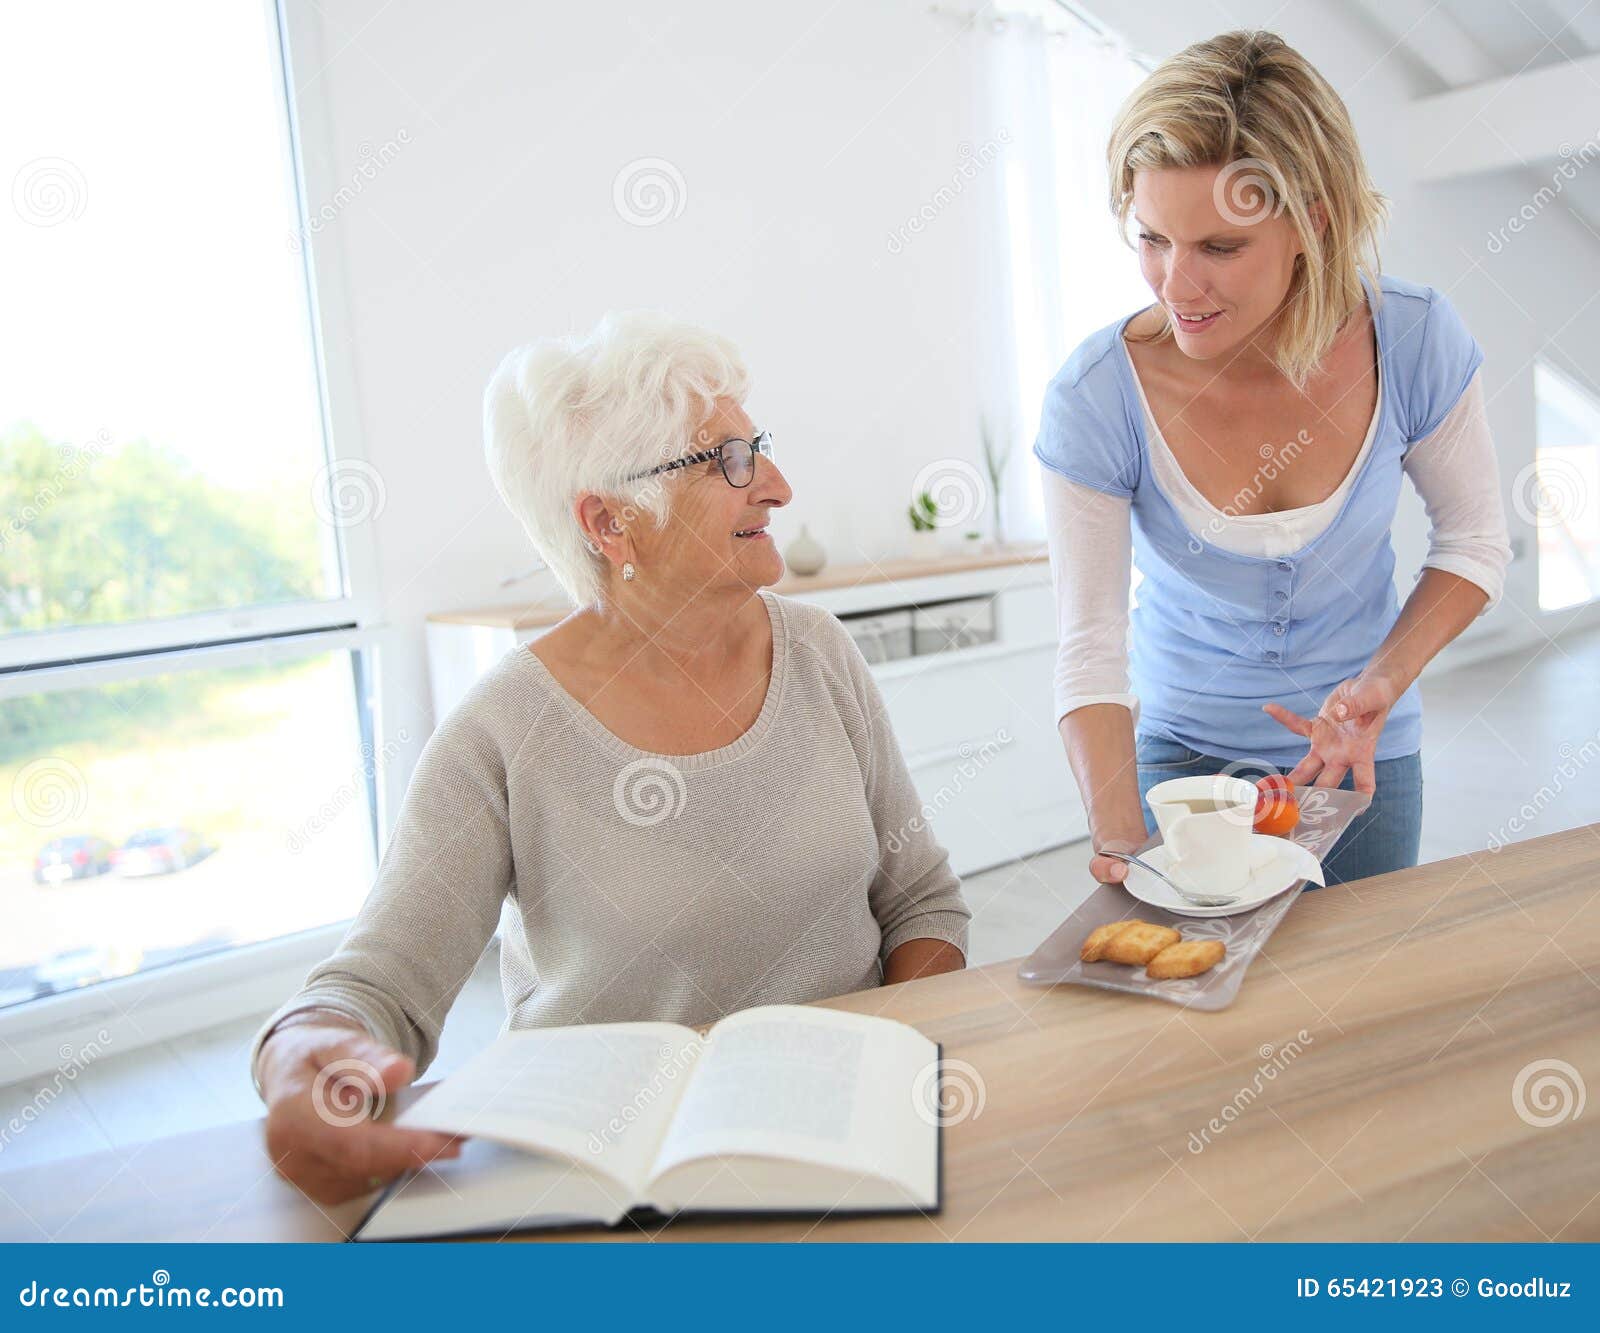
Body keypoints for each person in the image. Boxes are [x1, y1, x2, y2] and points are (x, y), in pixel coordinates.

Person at [253, 311, 971, 1203]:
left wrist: (877, 1075)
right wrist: (301, 1053)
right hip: (607, 1178)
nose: (778, 485)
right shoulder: (502, 731)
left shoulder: (820, 652)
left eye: (762, 448)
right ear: (610, 522)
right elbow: (376, 985)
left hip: (844, 1146)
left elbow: (922, 904)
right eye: (731, 462)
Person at [1034, 31, 1511, 888]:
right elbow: (1091, 649)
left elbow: (1475, 540)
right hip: (1179, 773)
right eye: (1152, 239)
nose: (1175, 285)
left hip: (1359, 759)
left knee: (1353, 1004)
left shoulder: (1412, 338)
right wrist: (1119, 832)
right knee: (1201, 1013)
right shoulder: (1097, 395)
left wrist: (1379, 684)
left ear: (1311, 223)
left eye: (1219, 247)